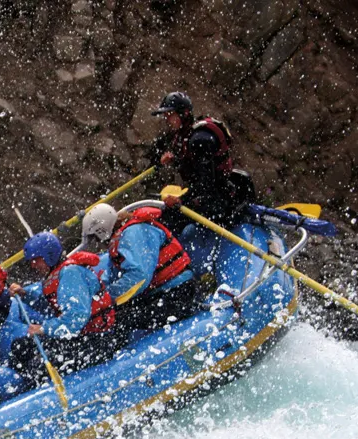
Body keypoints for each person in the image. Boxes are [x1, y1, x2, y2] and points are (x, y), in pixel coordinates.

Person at [3, 232, 116, 385]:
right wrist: (25, 294)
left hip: (97, 339)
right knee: (20, 347)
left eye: (36, 260)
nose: (33, 265)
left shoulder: (71, 273)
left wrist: (44, 329)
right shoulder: (58, 274)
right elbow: (50, 305)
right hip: (79, 336)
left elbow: (76, 319)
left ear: (49, 256)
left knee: (38, 366)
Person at [84, 202, 200, 337]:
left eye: (95, 237)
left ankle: (117, 354)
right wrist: (96, 295)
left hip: (179, 292)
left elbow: (140, 276)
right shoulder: (121, 237)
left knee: (119, 320)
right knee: (110, 314)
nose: (97, 241)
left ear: (102, 230)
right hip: (162, 291)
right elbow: (112, 275)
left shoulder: (134, 233)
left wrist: (108, 297)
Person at [148, 91, 254, 232]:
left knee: (166, 219)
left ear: (184, 114)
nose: (167, 119)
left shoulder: (200, 141)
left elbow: (206, 184)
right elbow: (193, 169)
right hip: (208, 196)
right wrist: (173, 161)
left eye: (170, 115)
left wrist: (181, 200)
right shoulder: (185, 136)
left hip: (218, 202)